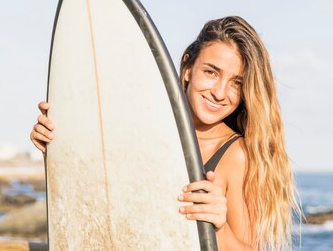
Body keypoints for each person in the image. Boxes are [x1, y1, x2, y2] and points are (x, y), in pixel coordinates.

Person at [30, 16, 299, 251]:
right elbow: (94, 197)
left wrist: (220, 225)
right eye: (211, 72)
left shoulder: (235, 155)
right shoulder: (144, 130)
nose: (219, 92)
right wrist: (56, 146)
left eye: (236, 83)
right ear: (187, 68)